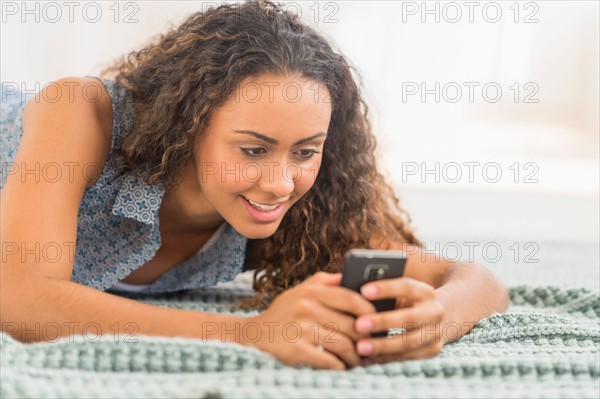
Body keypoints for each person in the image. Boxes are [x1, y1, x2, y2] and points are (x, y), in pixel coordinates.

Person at [0, 0, 508, 370]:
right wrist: (249, 334)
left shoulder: (289, 219)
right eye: (253, 150)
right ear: (187, 125)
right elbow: (18, 299)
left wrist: (437, 318)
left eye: (305, 151)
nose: (279, 184)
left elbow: (474, 279)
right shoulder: (81, 111)